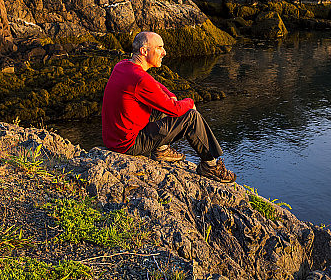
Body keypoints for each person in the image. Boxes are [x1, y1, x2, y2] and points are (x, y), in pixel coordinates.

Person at [101, 31, 236, 183]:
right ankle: (210, 166)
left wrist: (169, 94)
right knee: (191, 116)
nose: (164, 52)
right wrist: (190, 102)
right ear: (144, 51)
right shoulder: (140, 79)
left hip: (114, 139)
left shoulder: (123, 66)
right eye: (159, 48)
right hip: (128, 145)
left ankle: (161, 150)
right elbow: (175, 110)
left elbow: (154, 84)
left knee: (161, 103)